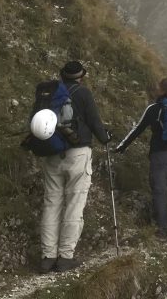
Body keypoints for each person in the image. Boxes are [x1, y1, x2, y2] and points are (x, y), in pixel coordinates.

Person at [39, 61, 111, 274]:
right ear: (81, 77)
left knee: (51, 204)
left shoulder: (50, 92)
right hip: (78, 154)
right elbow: (95, 122)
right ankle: (65, 257)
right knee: (74, 205)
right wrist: (105, 138)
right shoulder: (83, 94)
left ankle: (47, 257)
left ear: (62, 75)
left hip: (52, 153)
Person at [113, 77, 167, 244]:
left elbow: (138, 129)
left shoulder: (154, 109)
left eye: (159, 87)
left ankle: (163, 231)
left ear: (163, 91)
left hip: (160, 153)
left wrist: (120, 147)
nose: (156, 88)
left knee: (160, 190)